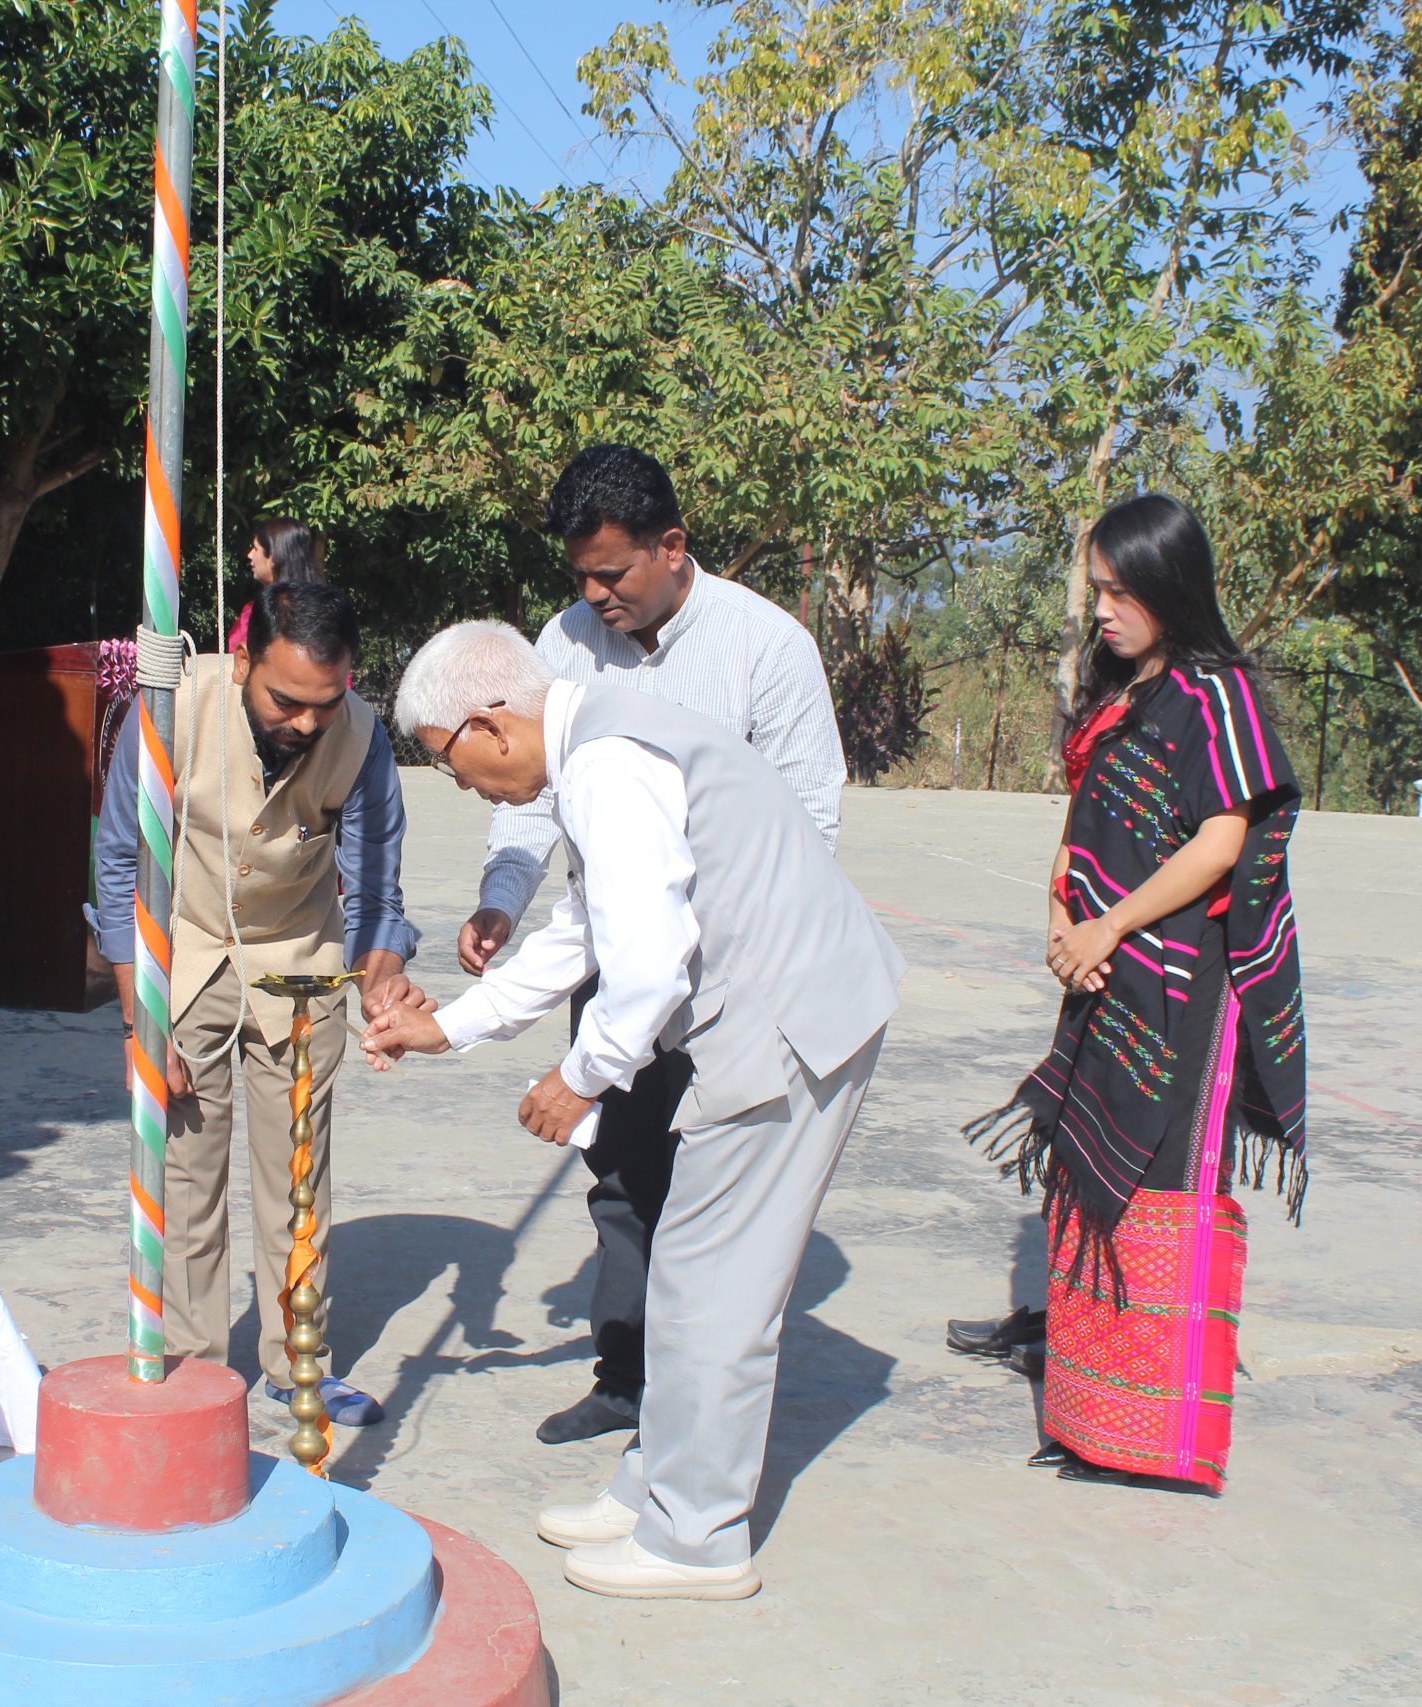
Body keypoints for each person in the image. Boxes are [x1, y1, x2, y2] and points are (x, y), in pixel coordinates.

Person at [363, 622, 902, 1600]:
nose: (467, 788)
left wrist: (583, 1074)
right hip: (770, 1013)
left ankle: (698, 1537)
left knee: (715, 1288)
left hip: (791, 1023)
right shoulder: (600, 747)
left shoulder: (607, 764)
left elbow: (646, 966)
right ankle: (661, 1482)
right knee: (686, 1270)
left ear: (488, 725)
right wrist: (452, 1026)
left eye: (450, 765)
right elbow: (585, 929)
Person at [465, 444, 846, 1448]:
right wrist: (503, 899)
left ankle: (694, 1415)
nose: (595, 598)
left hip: (733, 980)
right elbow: (528, 792)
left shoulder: (765, 647)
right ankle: (625, 1380)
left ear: (671, 546)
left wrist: (724, 955)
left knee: (713, 1193)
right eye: (579, 577)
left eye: (611, 574)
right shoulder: (564, 642)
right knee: (622, 1175)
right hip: (616, 955)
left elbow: (808, 819)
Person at [964, 493, 1308, 1493]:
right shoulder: (1124, 690)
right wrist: (1060, 918)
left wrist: (1107, 926)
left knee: (1160, 1182)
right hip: (1104, 970)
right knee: (1089, 1167)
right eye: (1097, 590)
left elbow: (1221, 839)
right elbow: (1083, 822)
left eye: (1121, 592)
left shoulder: (1216, 695)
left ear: (1170, 586)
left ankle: (1152, 1438)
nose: (1103, 610)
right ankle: (1089, 1410)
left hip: (1182, 985)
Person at [95, 580, 419, 1425]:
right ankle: (193, 1369)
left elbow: (376, 893)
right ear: (243, 662)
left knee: (297, 1179)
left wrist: (380, 984)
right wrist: (140, 1021)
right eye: (286, 701)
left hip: (301, 963)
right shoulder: (170, 708)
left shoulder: (361, 738)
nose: (307, 722)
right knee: (187, 1177)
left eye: (326, 702)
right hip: (188, 956)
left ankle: (298, 1361)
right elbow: (120, 864)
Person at [224, 516, 325, 655]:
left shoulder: (255, 614)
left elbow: (237, 656)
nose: (250, 555)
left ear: (274, 556)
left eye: (255, 549)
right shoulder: (324, 610)